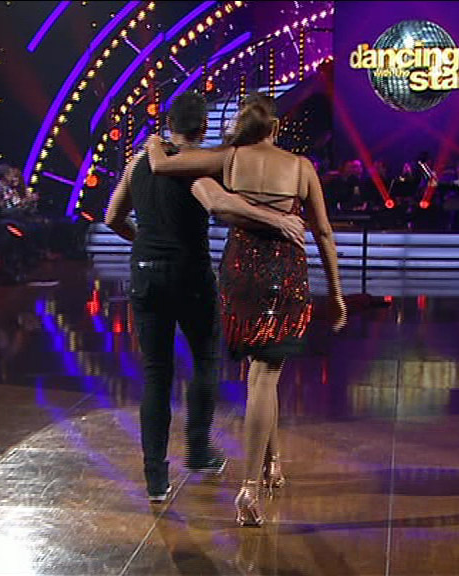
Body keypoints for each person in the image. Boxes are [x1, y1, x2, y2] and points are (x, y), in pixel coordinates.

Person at [145, 93, 346, 526]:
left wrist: (153, 143)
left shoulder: (229, 158)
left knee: (259, 376)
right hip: (284, 275)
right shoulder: (301, 167)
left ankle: (273, 462)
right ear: (275, 128)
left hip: (239, 275)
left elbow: (161, 165)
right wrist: (337, 293)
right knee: (266, 378)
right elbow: (325, 234)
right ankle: (250, 486)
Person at [105, 92, 306, 503]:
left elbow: (111, 217)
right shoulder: (196, 169)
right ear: (203, 129)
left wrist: (144, 242)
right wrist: (277, 218)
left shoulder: (137, 163)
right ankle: (198, 451)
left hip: (145, 274)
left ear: (169, 124)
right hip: (190, 276)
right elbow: (219, 203)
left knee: (156, 374)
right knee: (204, 361)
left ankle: (156, 479)